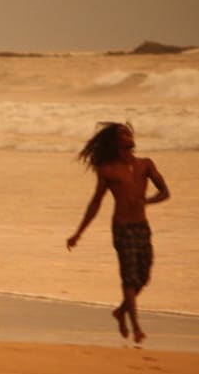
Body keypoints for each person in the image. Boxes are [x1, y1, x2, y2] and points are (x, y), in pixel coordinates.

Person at [66, 122, 169, 344]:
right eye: (124, 134)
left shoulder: (145, 164)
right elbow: (96, 202)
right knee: (129, 278)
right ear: (115, 142)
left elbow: (164, 192)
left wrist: (147, 201)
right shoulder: (108, 170)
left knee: (144, 277)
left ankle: (121, 311)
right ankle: (136, 327)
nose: (129, 136)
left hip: (142, 227)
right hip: (122, 227)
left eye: (129, 132)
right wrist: (78, 233)